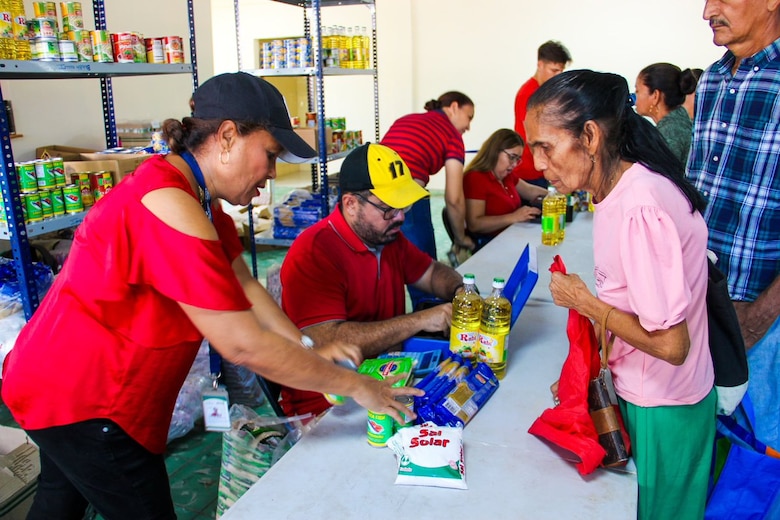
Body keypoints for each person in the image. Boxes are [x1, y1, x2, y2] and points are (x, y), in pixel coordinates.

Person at [0, 72, 421, 519]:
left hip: (61, 384)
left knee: (58, 501)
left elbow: (244, 284)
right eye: (271, 154)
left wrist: (310, 347)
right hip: (86, 398)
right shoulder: (166, 201)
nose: (272, 173)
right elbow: (242, 343)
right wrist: (357, 386)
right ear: (226, 137)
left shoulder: (197, 198)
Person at [526, 70, 716, 519]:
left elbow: (671, 344)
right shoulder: (614, 192)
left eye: (545, 147)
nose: (537, 164)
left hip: (664, 406)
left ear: (589, 136)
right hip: (644, 394)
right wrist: (585, 367)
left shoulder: (640, 206)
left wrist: (585, 302)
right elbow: (633, 303)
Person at [279, 143, 464, 417]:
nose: (400, 217)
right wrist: (420, 320)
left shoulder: (388, 239)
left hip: (384, 377)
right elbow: (328, 341)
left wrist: (461, 291)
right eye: (389, 209)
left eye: (404, 207)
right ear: (351, 204)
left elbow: (432, 273)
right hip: (329, 403)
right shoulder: (315, 251)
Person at [687, 0, 780, 447]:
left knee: (760, 462)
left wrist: (761, 315)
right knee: (705, 450)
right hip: (700, 302)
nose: (708, 11)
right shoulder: (712, 80)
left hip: (763, 314)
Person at [380, 91, 475, 260]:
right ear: (454, 107)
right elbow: (454, 198)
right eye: (469, 117)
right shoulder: (453, 137)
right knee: (423, 268)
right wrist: (461, 238)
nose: (468, 127)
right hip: (406, 197)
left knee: (380, 266)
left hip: (371, 195)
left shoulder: (406, 119)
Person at [462, 128, 547, 251]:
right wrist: (514, 217)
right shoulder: (475, 178)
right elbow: (475, 224)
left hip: (509, 237)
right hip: (490, 245)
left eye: (517, 159)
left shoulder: (506, 176)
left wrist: (557, 194)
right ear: (495, 152)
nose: (514, 164)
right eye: (512, 157)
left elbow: (529, 190)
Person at [513, 40, 572, 188]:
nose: (558, 75)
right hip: (530, 171)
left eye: (561, 71)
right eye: (554, 70)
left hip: (544, 168)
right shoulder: (528, 94)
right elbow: (529, 136)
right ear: (540, 65)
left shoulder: (546, 92)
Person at [633, 63, 698, 164]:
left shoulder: (670, 133)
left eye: (637, 90)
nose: (634, 96)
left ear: (655, 96)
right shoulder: (677, 124)